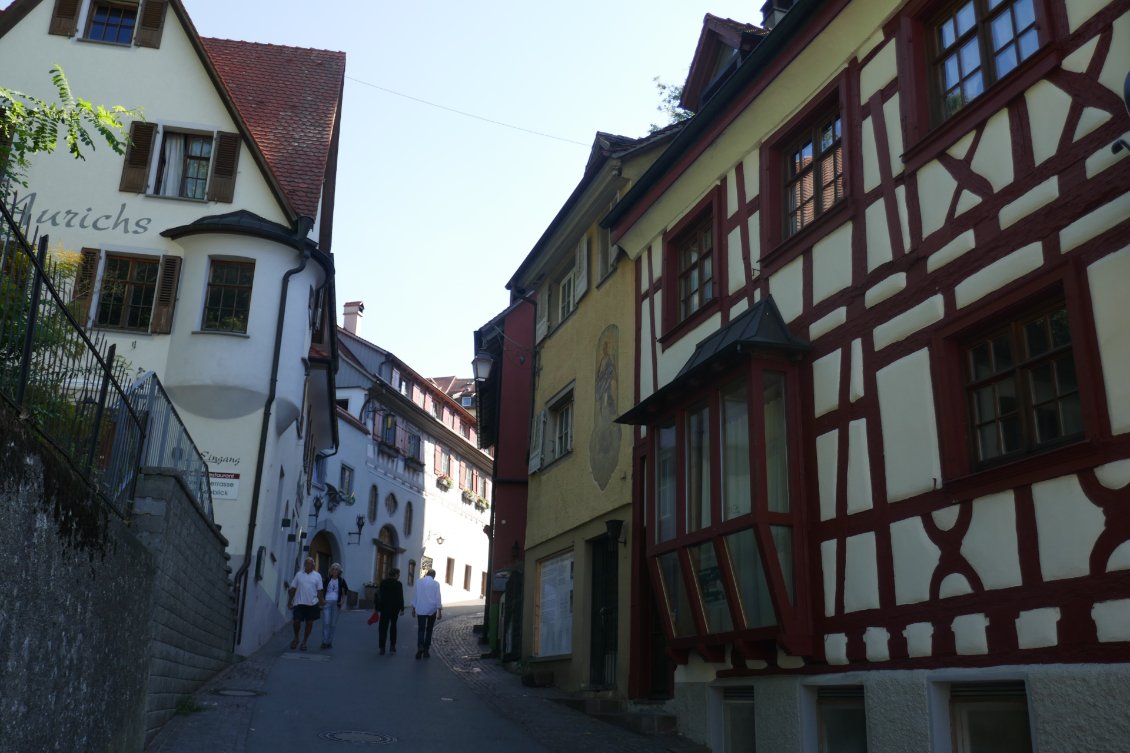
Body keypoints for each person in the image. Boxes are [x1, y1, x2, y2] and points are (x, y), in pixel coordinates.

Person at [287, 557, 324, 651]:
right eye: (306, 564)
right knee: (296, 621)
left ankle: (304, 641)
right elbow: (293, 588)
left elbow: (320, 590)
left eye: (310, 564)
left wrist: (320, 602)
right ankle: (296, 638)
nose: (308, 565)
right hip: (299, 602)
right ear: (304, 565)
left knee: (309, 623)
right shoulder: (299, 574)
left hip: (312, 603)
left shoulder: (317, 576)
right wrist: (289, 600)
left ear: (313, 565)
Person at [412, 568, 442, 659]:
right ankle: (426, 650)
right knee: (429, 630)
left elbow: (416, 595)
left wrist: (413, 608)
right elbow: (438, 597)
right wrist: (439, 611)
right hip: (431, 610)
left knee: (421, 629)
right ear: (434, 576)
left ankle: (420, 646)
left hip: (420, 608)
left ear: (426, 574)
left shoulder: (418, 582)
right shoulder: (436, 584)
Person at [320, 563, 349, 649]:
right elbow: (321, 590)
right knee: (326, 622)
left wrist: (342, 601)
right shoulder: (327, 579)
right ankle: (324, 641)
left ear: (339, 571)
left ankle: (329, 641)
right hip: (327, 603)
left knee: (332, 624)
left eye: (336, 569)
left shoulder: (341, 581)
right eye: (333, 569)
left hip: (336, 604)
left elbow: (344, 592)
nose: (334, 571)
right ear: (331, 571)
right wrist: (322, 600)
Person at [377, 568, 405, 655]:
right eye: (398, 574)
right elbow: (401, 597)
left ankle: (382, 647)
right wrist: (402, 608)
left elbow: (379, 595)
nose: (399, 576)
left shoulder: (383, 582)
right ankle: (392, 646)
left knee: (383, 628)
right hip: (394, 609)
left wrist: (377, 607)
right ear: (395, 575)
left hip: (384, 608)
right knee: (393, 627)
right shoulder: (398, 584)